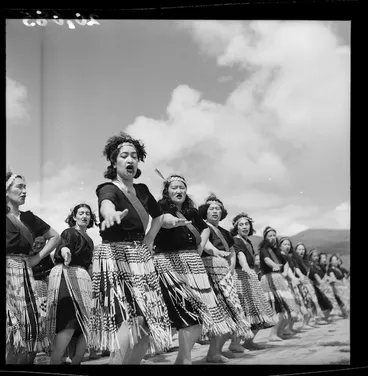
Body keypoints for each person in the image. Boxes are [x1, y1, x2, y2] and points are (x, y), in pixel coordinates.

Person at [90, 133, 183, 365]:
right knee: (129, 319)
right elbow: (106, 203)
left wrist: (150, 239)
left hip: (140, 255)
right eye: (124, 155)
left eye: (134, 155)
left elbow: (159, 216)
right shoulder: (108, 188)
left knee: (145, 321)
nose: (130, 159)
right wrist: (110, 214)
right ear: (114, 162)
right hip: (116, 255)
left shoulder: (142, 190)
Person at [153, 173, 233, 364]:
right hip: (169, 263)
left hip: (193, 265)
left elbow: (204, 228)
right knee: (186, 312)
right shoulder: (161, 207)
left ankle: (183, 358)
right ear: (167, 191)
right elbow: (163, 220)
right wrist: (171, 222)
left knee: (198, 314)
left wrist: (201, 246)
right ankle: (183, 358)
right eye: (174, 188)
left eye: (182, 187)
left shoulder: (192, 211)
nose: (179, 191)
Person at [6, 172, 60, 364]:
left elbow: (55, 237)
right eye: (19, 186)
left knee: (30, 327)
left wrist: (38, 257)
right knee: (10, 328)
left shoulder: (29, 218)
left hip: (25, 273)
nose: (24, 191)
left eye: (25, 187)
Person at [198, 194, 253, 362]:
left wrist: (230, 266)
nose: (215, 211)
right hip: (209, 271)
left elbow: (232, 250)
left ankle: (216, 351)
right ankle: (213, 353)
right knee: (220, 314)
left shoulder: (225, 232)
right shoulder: (202, 226)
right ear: (205, 212)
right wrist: (217, 252)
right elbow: (205, 244)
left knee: (231, 314)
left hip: (225, 273)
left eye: (218, 209)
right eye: (211, 208)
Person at [47, 203, 97, 364]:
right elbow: (64, 246)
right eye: (80, 213)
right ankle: (54, 361)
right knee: (69, 322)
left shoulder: (89, 240)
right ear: (74, 216)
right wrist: (65, 251)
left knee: (86, 327)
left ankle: (76, 361)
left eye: (87, 214)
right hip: (66, 276)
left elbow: (89, 264)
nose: (84, 216)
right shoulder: (69, 232)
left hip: (83, 279)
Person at [231, 213, 277, 350]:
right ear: (236, 227)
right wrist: (245, 267)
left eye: (247, 224)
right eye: (241, 224)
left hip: (250, 276)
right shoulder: (236, 240)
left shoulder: (248, 241)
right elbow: (240, 255)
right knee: (244, 312)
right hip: (241, 276)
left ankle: (249, 341)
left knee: (258, 311)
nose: (244, 227)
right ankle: (234, 344)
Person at [258, 227, 301, 341]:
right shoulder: (264, 249)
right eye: (270, 236)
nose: (272, 238)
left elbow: (285, 262)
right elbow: (267, 260)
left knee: (289, 309)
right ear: (265, 237)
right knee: (279, 308)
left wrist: (285, 272)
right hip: (270, 278)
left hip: (279, 278)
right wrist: (274, 265)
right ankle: (272, 334)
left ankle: (280, 332)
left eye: (274, 235)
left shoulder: (276, 250)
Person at [278, 237, 307, 334]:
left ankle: (288, 328)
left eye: (288, 244)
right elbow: (288, 270)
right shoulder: (280, 255)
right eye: (285, 244)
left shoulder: (288, 256)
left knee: (295, 306)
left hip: (291, 282)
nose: (287, 246)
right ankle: (282, 330)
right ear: (280, 245)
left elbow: (294, 268)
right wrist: (294, 278)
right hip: (284, 282)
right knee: (289, 307)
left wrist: (300, 276)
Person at [292, 243, 324, 328]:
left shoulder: (305, 262)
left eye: (303, 249)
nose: (301, 251)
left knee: (309, 302)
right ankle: (304, 323)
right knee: (303, 303)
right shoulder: (294, 260)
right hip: (299, 283)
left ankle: (307, 323)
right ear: (295, 251)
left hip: (307, 283)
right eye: (299, 249)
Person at [308, 249, 334, 323]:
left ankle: (324, 318)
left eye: (317, 256)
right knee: (321, 303)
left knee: (326, 303)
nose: (316, 257)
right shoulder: (311, 266)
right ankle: (318, 319)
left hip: (321, 286)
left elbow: (325, 275)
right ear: (310, 257)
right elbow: (318, 279)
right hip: (315, 286)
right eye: (314, 256)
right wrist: (326, 280)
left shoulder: (319, 265)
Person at [327, 254, 349, 318]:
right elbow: (333, 278)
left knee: (343, 302)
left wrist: (346, 279)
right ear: (330, 262)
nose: (335, 261)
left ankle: (345, 314)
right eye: (333, 260)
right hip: (337, 288)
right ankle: (344, 314)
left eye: (336, 259)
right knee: (340, 301)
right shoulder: (330, 269)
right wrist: (342, 281)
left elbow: (348, 274)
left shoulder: (340, 269)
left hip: (343, 287)